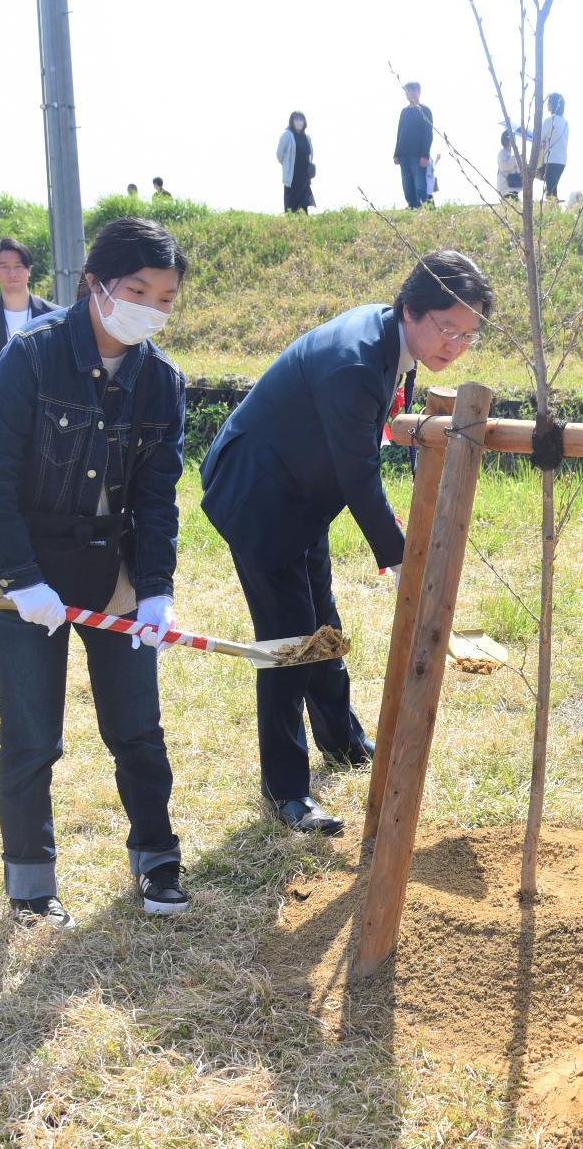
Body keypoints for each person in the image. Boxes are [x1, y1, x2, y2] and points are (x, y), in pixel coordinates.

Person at [0, 217, 196, 929]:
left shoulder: (162, 382)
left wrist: (155, 590)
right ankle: (31, 882)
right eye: (136, 290)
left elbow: (158, 497)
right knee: (32, 733)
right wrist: (21, 577)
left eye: (166, 297)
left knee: (137, 728)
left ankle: (157, 858)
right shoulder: (31, 358)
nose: (150, 308)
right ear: (96, 286)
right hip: (25, 572)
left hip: (112, 569)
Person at [200, 251, 492, 835]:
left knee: (322, 625)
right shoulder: (357, 361)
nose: (456, 345)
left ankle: (343, 741)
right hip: (257, 495)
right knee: (290, 641)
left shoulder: (392, 339)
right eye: (447, 328)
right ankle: (287, 792)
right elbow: (361, 474)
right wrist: (405, 557)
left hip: (303, 495)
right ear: (411, 309)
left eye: (468, 334)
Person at [0, 237, 58, 410]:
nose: (12, 273)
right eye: (4, 267)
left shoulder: (53, 314)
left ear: (29, 270)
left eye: (18, 266)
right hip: (0, 412)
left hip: (46, 412)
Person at [394, 81, 435, 209]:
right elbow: (400, 132)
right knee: (407, 186)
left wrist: (425, 155)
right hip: (403, 155)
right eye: (407, 91)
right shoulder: (404, 112)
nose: (410, 93)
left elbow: (428, 134)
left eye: (413, 91)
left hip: (419, 156)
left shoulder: (425, 110)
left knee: (421, 185)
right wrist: (396, 153)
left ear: (419, 92)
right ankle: (413, 207)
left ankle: (429, 209)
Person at [279, 111, 315, 213]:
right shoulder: (287, 135)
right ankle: (290, 226)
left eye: (301, 119)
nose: (299, 122)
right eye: (296, 119)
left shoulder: (307, 137)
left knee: (304, 205)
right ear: (292, 121)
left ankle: (303, 227)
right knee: (291, 205)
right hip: (292, 177)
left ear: (304, 122)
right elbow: (279, 155)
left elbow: (310, 154)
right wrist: (287, 165)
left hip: (304, 177)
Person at [538, 92, 569, 198]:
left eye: (548, 102)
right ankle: (554, 213)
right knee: (552, 190)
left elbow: (538, 140)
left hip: (551, 160)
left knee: (550, 193)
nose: (547, 104)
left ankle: (553, 214)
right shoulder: (565, 123)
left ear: (552, 104)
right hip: (562, 161)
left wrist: (542, 144)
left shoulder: (549, 121)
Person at [495, 129, 523, 196]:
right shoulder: (502, 153)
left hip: (513, 186)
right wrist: (516, 157)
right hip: (506, 186)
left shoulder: (511, 153)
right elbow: (504, 167)